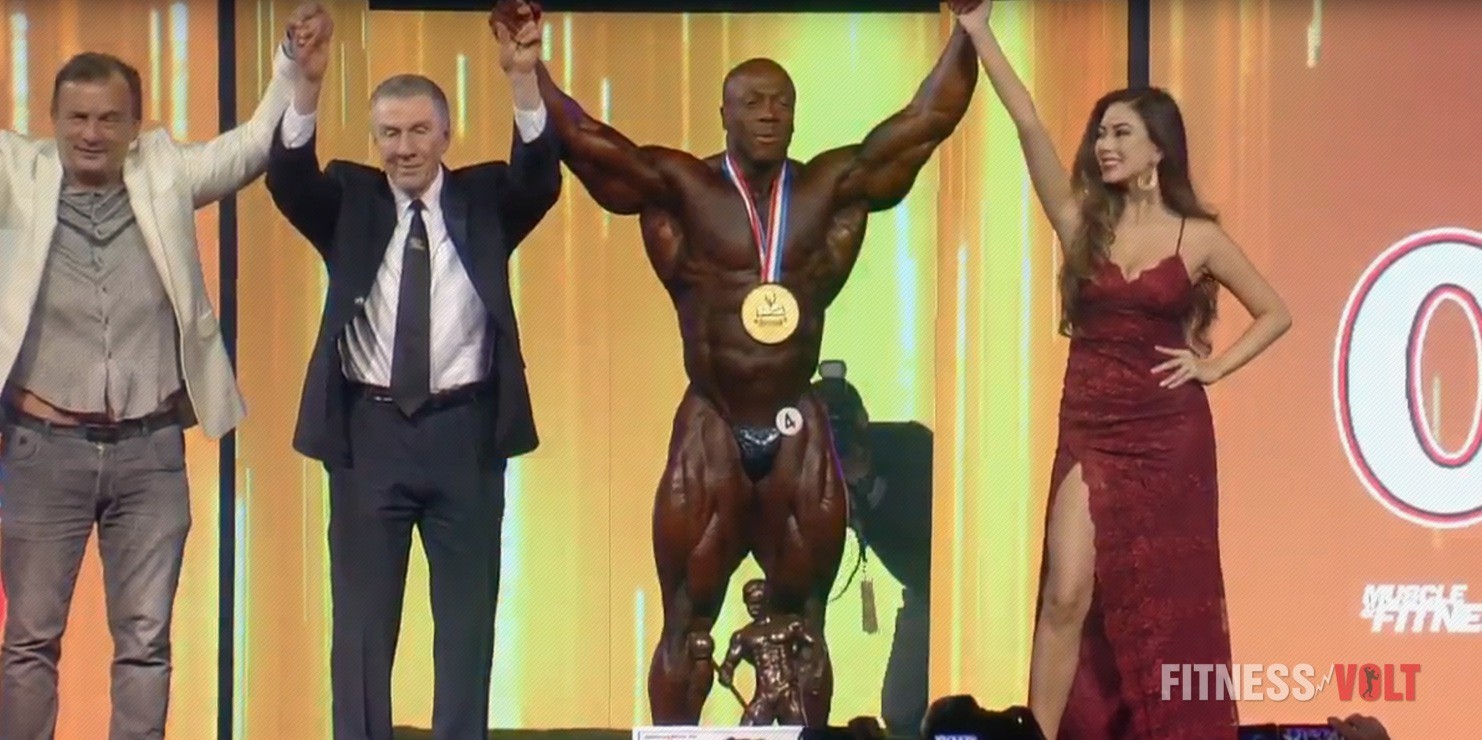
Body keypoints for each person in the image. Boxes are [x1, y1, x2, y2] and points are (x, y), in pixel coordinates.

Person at [494, 0, 979, 725]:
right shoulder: (683, 187)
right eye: (752, 101)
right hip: (713, 420)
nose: (769, 113)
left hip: (795, 423)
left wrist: (970, 29)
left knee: (803, 626)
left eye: (781, 102)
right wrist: (529, 68)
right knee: (686, 622)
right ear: (723, 113)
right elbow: (588, 142)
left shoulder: (827, 189)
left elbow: (925, 121)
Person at [951, 2, 1292, 738]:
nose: (1104, 145)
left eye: (1121, 133)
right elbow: (1029, 123)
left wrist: (1213, 367)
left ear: (1158, 148)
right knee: (1066, 591)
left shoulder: (1199, 237)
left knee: (1165, 604)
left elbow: (1275, 312)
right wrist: (980, 32)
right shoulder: (1082, 222)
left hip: (1170, 436)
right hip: (1092, 424)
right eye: (1101, 133)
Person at [0, 4, 327, 737]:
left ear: (135, 125)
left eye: (108, 119)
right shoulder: (14, 172)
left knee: (146, 645)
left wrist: (291, 66)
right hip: (41, 450)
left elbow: (253, 145)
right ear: (52, 120)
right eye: (77, 118)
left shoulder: (166, 172)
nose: (91, 133)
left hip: (149, 454)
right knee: (28, 642)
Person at [262, 6, 560, 739]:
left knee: (466, 627)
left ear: (446, 134)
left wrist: (522, 78)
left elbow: (540, 176)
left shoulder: (485, 199)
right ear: (374, 139)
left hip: (467, 433)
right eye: (390, 133)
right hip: (370, 436)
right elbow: (289, 179)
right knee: (363, 629)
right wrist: (306, 85)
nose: (404, 148)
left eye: (419, 131)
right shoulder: (351, 200)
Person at [717, 579, 825, 726]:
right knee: (745, 732)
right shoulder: (743, 635)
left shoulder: (790, 624)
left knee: (797, 733)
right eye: (749, 604)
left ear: (767, 601)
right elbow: (728, 664)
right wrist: (725, 674)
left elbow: (816, 645)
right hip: (764, 694)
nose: (752, 608)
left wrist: (815, 673)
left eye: (757, 603)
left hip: (788, 692)